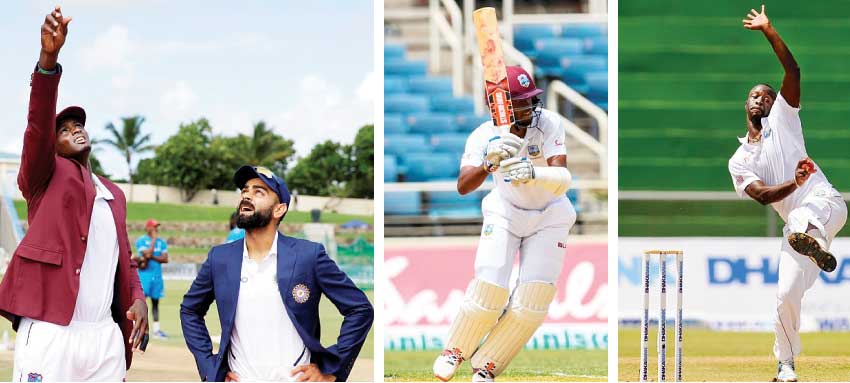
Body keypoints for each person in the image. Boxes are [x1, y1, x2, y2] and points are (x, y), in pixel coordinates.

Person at [0, 6, 148, 381]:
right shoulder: (44, 175)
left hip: (104, 335)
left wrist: (138, 299)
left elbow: (125, 259)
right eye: (64, 129)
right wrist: (48, 62)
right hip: (53, 329)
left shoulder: (113, 193)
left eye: (78, 124)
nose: (75, 130)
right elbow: (36, 126)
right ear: (51, 146)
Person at [432, 66, 575, 382]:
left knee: (533, 300)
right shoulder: (484, 135)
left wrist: (534, 173)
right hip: (506, 212)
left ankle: (488, 363)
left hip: (550, 215)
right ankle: (455, 350)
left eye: (531, 100)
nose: (530, 108)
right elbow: (463, 186)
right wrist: (488, 163)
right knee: (491, 290)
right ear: (502, 106)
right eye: (522, 102)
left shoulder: (549, 124)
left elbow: (564, 178)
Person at [728, 5, 847, 382]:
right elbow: (763, 196)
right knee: (785, 296)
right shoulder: (739, 160)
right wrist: (792, 184)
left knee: (800, 218)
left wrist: (768, 29)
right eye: (754, 95)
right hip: (797, 231)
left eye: (767, 94)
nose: (761, 98)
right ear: (745, 104)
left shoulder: (784, 116)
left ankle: (812, 238)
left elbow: (793, 71)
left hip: (826, 203)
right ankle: (786, 365)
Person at [180, 166, 373, 382]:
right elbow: (190, 310)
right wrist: (210, 368)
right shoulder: (220, 258)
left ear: (279, 209)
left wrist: (331, 371)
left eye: (259, 192)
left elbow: (360, 309)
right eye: (245, 190)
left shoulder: (309, 255)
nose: (247, 196)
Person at [135, 219, 169, 339]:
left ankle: (156, 330)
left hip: (157, 276)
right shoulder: (141, 240)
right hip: (145, 276)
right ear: (148, 228)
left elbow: (165, 259)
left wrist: (151, 256)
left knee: (156, 303)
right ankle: (138, 328)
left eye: (157, 227)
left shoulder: (162, 242)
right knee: (141, 303)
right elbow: (146, 255)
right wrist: (153, 241)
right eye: (154, 227)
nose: (156, 229)